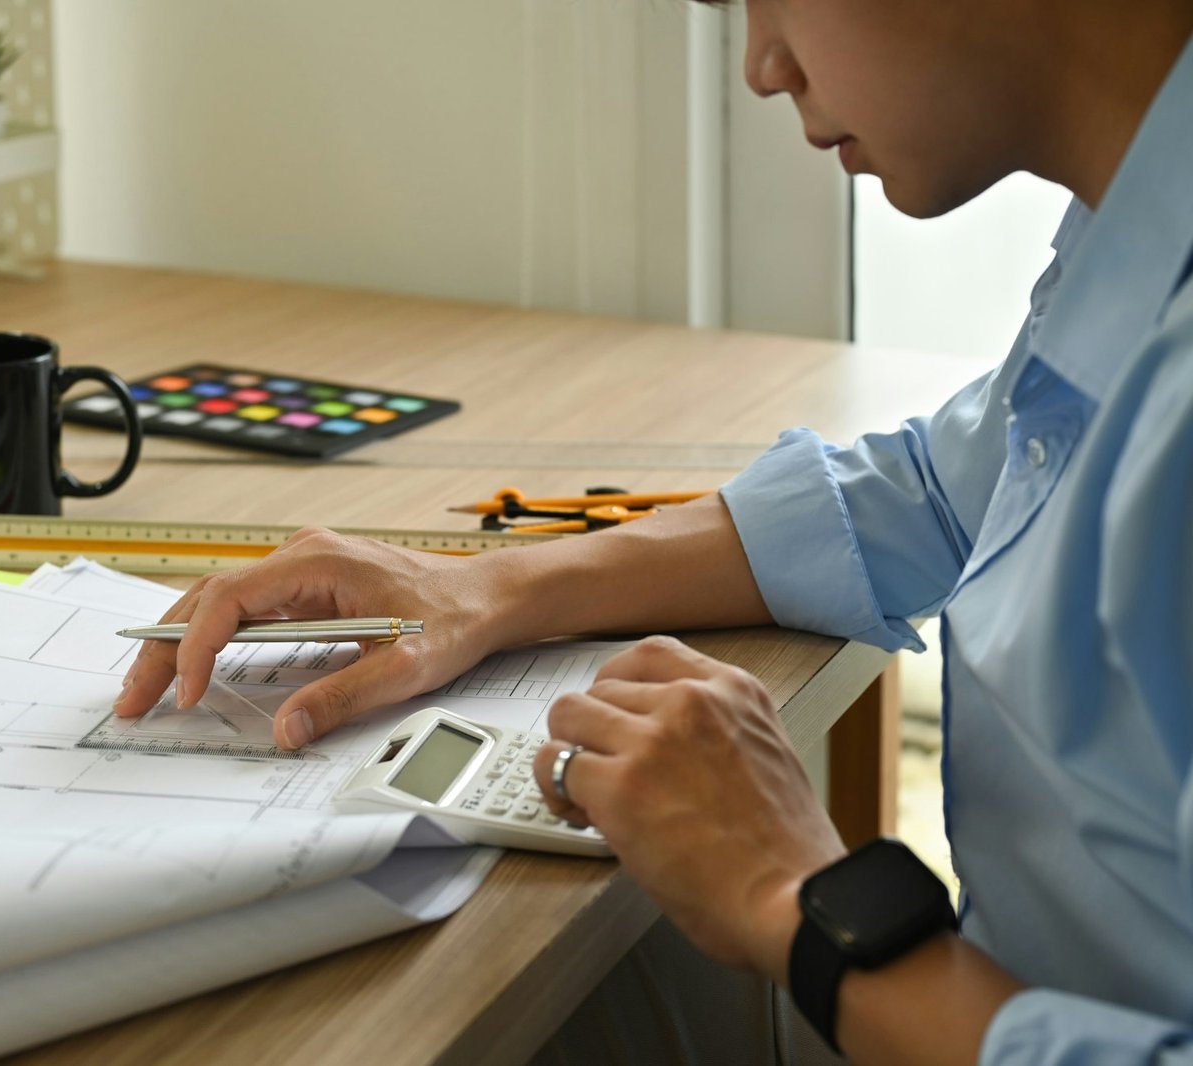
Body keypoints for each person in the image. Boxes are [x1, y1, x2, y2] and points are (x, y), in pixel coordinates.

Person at [116, 0, 1193, 1062]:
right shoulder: (1132, 216)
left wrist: (800, 903)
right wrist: (489, 586)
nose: (759, 65)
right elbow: (946, 486)